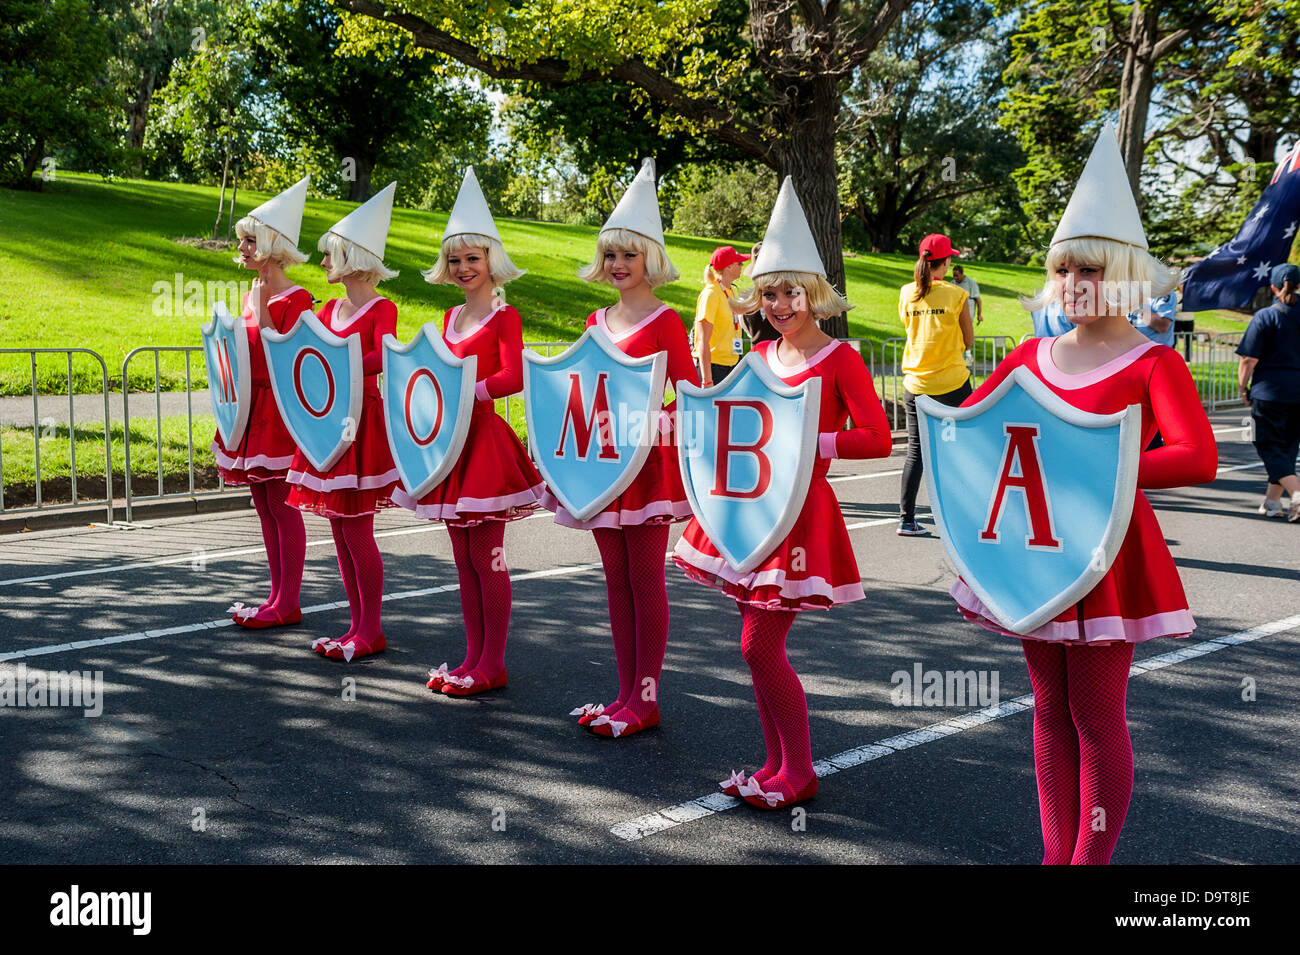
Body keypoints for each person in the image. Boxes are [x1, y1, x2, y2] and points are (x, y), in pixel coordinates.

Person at [950, 125, 1217, 864]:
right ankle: (1053, 854)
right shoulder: (1031, 353)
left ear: (1127, 272)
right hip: (1035, 550)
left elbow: (1198, 456)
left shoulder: (1153, 361)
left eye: (1091, 271)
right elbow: (970, 432)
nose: (1073, 284)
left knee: (1096, 714)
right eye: (1064, 269)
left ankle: (1089, 862)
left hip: (1107, 554)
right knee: (1047, 707)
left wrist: (1104, 468)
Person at [674, 178, 892, 810]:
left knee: (757, 646)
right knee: (752, 648)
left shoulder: (840, 358)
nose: (777, 304)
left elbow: (877, 438)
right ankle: (773, 764)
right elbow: (734, 424)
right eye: (767, 294)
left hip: (801, 518)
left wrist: (816, 446)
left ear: (813, 294)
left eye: (788, 292)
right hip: (749, 510)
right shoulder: (759, 355)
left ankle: (798, 770)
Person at [544, 160, 699, 738]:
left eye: (628, 255)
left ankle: (646, 697)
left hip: (645, 464)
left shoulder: (666, 321)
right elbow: (583, 386)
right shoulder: (595, 318)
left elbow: (687, 394)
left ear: (650, 261)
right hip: (600, 461)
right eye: (610, 255)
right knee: (613, 581)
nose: (617, 265)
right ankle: (622, 692)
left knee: (645, 580)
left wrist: (655, 429)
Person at [396, 168, 546, 695]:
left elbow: (515, 374)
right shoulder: (446, 318)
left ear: (491, 262)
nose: (463, 268)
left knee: (488, 557)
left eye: (472, 259)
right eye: (455, 260)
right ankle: (471, 658)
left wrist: (471, 392)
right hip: (447, 447)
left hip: (483, 446)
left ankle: (493, 663)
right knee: (462, 561)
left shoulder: (506, 316)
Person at [286, 183, 402, 662]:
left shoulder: (383, 308)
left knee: (356, 528)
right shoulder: (328, 308)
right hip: (326, 424)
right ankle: (355, 624)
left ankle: (370, 629)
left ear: (353, 258)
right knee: (337, 527)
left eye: (329, 255)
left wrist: (342, 358)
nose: (322, 264)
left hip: (361, 425)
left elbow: (384, 358)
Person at [217, 177, 314, 630]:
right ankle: (275, 595)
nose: (242, 247)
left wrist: (265, 308)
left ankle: (288, 600)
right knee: (263, 505)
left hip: (281, 413)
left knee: (282, 505)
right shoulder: (252, 293)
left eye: (250, 240)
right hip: (253, 410)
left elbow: (293, 360)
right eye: (242, 240)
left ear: (273, 245)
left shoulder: (297, 299)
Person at [897, 233, 974, 535]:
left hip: (916, 383)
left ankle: (906, 519)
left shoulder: (906, 292)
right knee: (960, 447)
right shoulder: (956, 294)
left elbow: (908, 326)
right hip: (952, 382)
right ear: (945, 262)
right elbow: (968, 340)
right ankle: (959, 516)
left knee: (916, 451)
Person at [1236, 263, 1300, 521]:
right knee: (1286, 448)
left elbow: (1249, 359)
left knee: (1266, 444)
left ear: (1273, 286)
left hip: (1269, 392)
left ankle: (1296, 494)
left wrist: (1242, 387)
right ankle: (1272, 502)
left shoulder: (1265, 316)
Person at [693, 245, 749, 386]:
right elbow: (702, 341)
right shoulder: (711, 294)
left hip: (731, 363)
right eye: (739, 263)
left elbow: (741, 311)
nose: (742, 266)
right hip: (714, 368)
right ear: (729, 267)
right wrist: (707, 380)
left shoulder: (730, 291)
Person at [739, 240, 780, 346]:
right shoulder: (786, 296)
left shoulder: (746, 298)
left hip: (759, 351)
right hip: (778, 351)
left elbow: (746, 328)